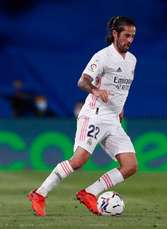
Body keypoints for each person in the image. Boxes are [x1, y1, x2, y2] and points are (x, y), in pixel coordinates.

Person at [27, 16, 138, 216]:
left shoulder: (132, 60)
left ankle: (89, 193)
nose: (130, 40)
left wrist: (120, 109)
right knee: (78, 161)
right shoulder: (102, 56)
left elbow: (122, 89)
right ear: (115, 34)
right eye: (126, 35)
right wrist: (96, 91)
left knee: (130, 166)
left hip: (112, 119)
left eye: (133, 36)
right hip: (94, 115)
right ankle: (39, 194)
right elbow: (82, 81)